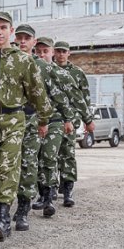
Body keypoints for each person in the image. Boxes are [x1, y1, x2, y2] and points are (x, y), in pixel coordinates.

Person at [0, 12, 51, 242]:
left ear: (10, 31)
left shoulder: (23, 61)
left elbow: (37, 93)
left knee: (8, 166)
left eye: (3, 27)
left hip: (14, 119)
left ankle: (2, 217)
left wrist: (44, 120)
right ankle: (2, 207)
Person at [14, 28, 74, 230]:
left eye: (26, 39)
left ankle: (35, 202)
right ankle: (10, 203)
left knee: (36, 161)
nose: (22, 42)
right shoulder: (7, 62)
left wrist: (67, 118)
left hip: (33, 120)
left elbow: (58, 94)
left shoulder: (41, 67)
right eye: (19, 38)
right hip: (9, 121)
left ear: (33, 41)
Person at [30, 37, 79, 220]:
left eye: (46, 51)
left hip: (57, 120)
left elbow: (74, 97)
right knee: (37, 158)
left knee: (52, 157)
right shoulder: (32, 70)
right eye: (39, 51)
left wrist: (74, 119)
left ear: (52, 52)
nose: (42, 55)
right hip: (36, 120)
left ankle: (54, 194)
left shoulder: (61, 73)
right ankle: (43, 193)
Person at [53, 41, 95, 207]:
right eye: (58, 51)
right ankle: (50, 189)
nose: (61, 54)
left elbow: (84, 97)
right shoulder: (49, 70)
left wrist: (87, 119)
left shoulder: (77, 73)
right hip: (52, 119)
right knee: (50, 155)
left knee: (67, 154)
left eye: (64, 51)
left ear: (69, 53)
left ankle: (68, 189)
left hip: (71, 119)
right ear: (54, 53)